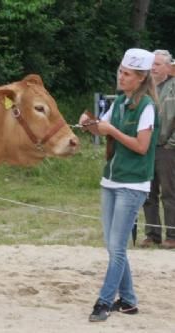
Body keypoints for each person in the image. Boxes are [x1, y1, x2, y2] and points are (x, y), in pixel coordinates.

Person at [79, 48, 159, 322]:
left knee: (117, 248)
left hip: (133, 185)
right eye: (120, 72)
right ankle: (128, 300)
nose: (121, 77)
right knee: (113, 246)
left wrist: (111, 130)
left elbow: (141, 146)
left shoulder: (147, 106)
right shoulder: (120, 103)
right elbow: (102, 129)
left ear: (139, 78)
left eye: (126, 74)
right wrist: (89, 125)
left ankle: (104, 301)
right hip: (110, 180)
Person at [141, 49, 175, 249]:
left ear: (168, 67)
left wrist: (171, 144)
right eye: (152, 64)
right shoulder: (145, 88)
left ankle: (172, 235)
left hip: (167, 148)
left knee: (170, 193)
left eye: (158, 64)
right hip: (146, 147)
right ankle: (152, 234)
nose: (153, 68)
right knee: (147, 193)